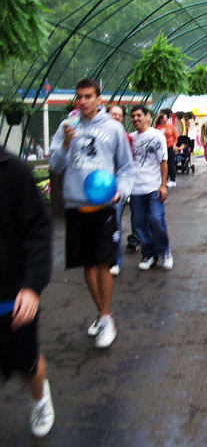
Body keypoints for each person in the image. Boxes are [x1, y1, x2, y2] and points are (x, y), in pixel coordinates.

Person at [50, 78, 134, 349]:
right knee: (87, 264)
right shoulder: (67, 127)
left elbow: (125, 167)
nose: (82, 101)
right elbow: (55, 164)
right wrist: (64, 143)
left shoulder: (114, 128)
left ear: (99, 99)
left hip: (104, 207)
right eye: (79, 97)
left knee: (102, 262)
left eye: (88, 96)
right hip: (76, 205)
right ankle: (102, 314)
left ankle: (105, 317)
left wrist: (121, 190)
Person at [0, 146, 54, 437]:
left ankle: (40, 397)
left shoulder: (13, 171)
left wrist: (32, 287)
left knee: (25, 363)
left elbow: (38, 230)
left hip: (11, 295)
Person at [129, 105, 173, 271]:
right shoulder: (130, 138)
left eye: (139, 115)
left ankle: (165, 251)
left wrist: (163, 185)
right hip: (135, 189)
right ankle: (149, 253)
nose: (135, 119)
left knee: (156, 219)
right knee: (139, 223)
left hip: (153, 187)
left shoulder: (157, 136)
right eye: (133, 116)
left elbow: (163, 162)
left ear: (147, 117)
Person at [106, 104, 131, 276]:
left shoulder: (123, 136)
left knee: (114, 222)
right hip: (98, 187)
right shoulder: (100, 134)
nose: (116, 117)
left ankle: (116, 260)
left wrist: (123, 188)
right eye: (113, 114)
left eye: (119, 115)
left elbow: (127, 164)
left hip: (115, 187)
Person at [155, 110, 178, 188]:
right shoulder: (157, 127)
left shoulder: (170, 126)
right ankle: (163, 179)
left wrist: (174, 145)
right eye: (165, 117)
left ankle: (172, 179)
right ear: (161, 119)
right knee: (162, 163)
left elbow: (175, 136)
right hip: (160, 147)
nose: (167, 119)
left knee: (171, 163)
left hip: (169, 146)